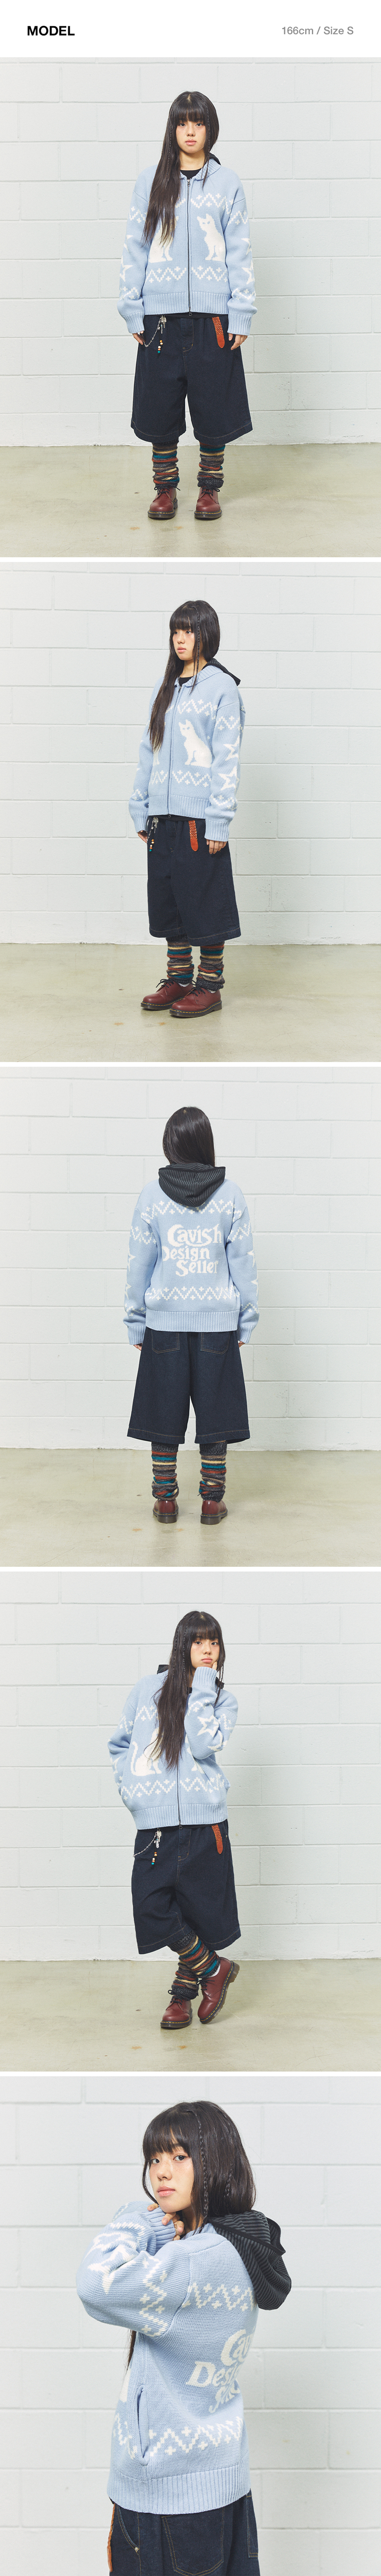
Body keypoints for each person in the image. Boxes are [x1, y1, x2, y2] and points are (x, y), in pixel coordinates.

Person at [76, 2096, 291, 2576]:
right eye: (154, 2158)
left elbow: (95, 2285)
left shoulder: (195, 2260)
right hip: (217, 2485)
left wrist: (137, 2219)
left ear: (216, 2161)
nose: (161, 2172)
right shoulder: (231, 2247)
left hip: (169, 2500)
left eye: (179, 2155)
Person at [118, 89, 256, 522]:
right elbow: (135, 247)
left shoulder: (228, 184)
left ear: (210, 128)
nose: (190, 131)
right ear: (172, 129)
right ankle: (165, 489)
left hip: (214, 318)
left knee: (214, 406)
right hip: (160, 317)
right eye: (182, 123)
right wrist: (132, 306)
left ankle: (209, 489)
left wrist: (241, 310)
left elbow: (239, 251)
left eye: (198, 122)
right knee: (160, 407)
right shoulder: (151, 182)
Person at [125, 1102, 259, 1525]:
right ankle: (211, 1502)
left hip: (164, 1323)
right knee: (216, 1415)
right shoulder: (231, 1195)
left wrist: (136, 1320)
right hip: (218, 1324)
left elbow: (138, 1264)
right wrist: (246, 1320)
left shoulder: (151, 1196)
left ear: (171, 1146)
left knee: (162, 1412)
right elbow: (244, 1264)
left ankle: (165, 1500)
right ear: (206, 1143)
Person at [108, 1610, 241, 2029]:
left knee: (198, 1911)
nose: (208, 1649)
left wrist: (203, 1687)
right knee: (151, 1906)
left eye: (214, 1642)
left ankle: (183, 1995)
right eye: (199, 1641)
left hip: (206, 1823)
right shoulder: (147, 1690)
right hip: (157, 1826)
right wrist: (132, 1793)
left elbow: (202, 1745)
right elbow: (119, 1745)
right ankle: (214, 1968)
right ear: (183, 1645)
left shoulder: (222, 1700)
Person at [130, 598, 243, 1021]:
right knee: (169, 901)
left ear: (206, 634)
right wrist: (140, 805)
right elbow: (149, 750)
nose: (181, 639)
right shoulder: (166, 688)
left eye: (189, 631)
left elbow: (227, 758)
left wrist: (219, 820)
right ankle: (178, 979)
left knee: (205, 903)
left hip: (199, 819)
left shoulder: (222, 688)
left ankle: (209, 985)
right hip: (162, 817)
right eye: (176, 631)